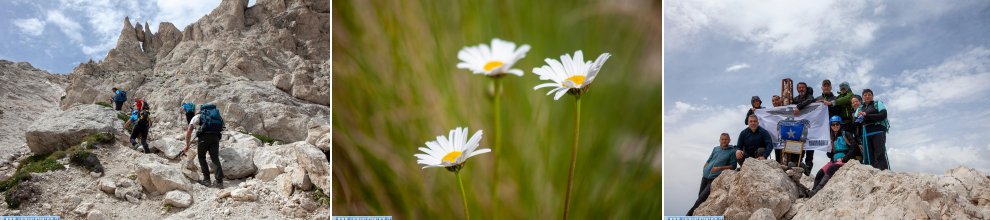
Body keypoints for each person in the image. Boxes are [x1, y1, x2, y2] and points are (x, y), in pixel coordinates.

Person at [687, 133, 737, 216]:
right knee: (700, 197)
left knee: (701, 198)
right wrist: (705, 167)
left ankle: (689, 215)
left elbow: (733, 166)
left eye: (726, 139)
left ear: (729, 140)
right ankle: (698, 214)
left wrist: (719, 168)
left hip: (714, 178)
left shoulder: (732, 151)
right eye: (722, 139)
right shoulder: (715, 149)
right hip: (705, 176)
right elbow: (709, 159)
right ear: (719, 140)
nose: (724, 141)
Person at [810, 116, 859, 196]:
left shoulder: (846, 134)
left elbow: (854, 148)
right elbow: (830, 155)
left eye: (837, 124)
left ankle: (817, 191)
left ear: (840, 124)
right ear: (830, 126)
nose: (835, 126)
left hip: (845, 160)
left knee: (831, 169)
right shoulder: (831, 137)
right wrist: (828, 151)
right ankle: (812, 190)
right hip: (834, 161)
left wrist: (844, 159)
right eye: (833, 124)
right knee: (820, 172)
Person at [180, 104, 226, 187]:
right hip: (215, 137)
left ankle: (207, 180)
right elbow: (222, 127)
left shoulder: (197, 117)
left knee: (201, 157)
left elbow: (189, 132)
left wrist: (187, 145)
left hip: (203, 138)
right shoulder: (216, 116)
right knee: (215, 158)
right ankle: (219, 182)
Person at [856, 89, 889, 170]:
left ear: (872, 96)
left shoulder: (877, 103)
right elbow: (855, 122)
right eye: (865, 95)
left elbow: (883, 114)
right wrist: (859, 118)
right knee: (868, 156)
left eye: (869, 94)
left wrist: (867, 115)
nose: (867, 96)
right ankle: (871, 176)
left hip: (878, 131)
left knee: (879, 154)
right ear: (862, 97)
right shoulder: (860, 108)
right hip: (865, 133)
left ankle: (884, 174)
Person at [792, 82, 816, 173]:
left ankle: (808, 167)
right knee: (799, 147)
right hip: (798, 128)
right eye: (799, 88)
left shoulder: (809, 96)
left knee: (809, 146)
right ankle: (797, 164)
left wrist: (798, 107)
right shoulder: (795, 99)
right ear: (797, 89)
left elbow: (810, 100)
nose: (801, 89)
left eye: (803, 87)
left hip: (809, 127)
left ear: (806, 88)